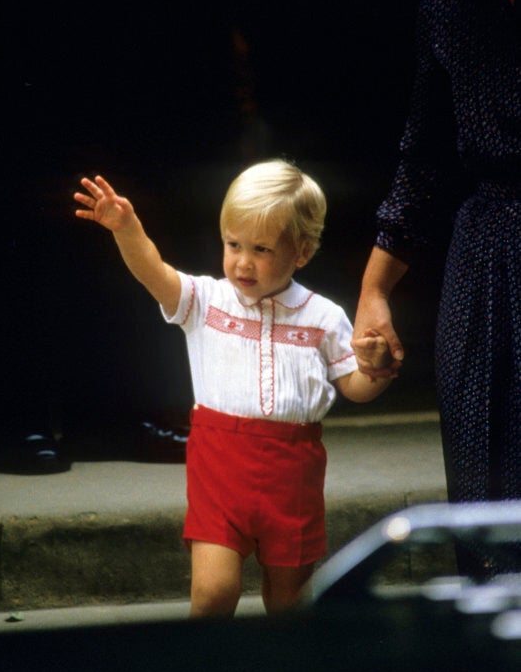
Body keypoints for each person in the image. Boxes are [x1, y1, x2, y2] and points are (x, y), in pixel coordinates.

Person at [75, 160, 394, 616]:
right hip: (219, 463)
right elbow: (152, 270)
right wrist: (127, 228)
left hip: (293, 471)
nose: (243, 261)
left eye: (261, 248)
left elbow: (355, 387)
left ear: (301, 252)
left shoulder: (323, 317)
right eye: (233, 244)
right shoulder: (205, 301)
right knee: (212, 593)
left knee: (290, 601)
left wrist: (375, 368)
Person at [352, 0, 521, 575]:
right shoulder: (449, 3)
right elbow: (422, 157)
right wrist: (374, 289)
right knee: (485, 488)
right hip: (487, 261)